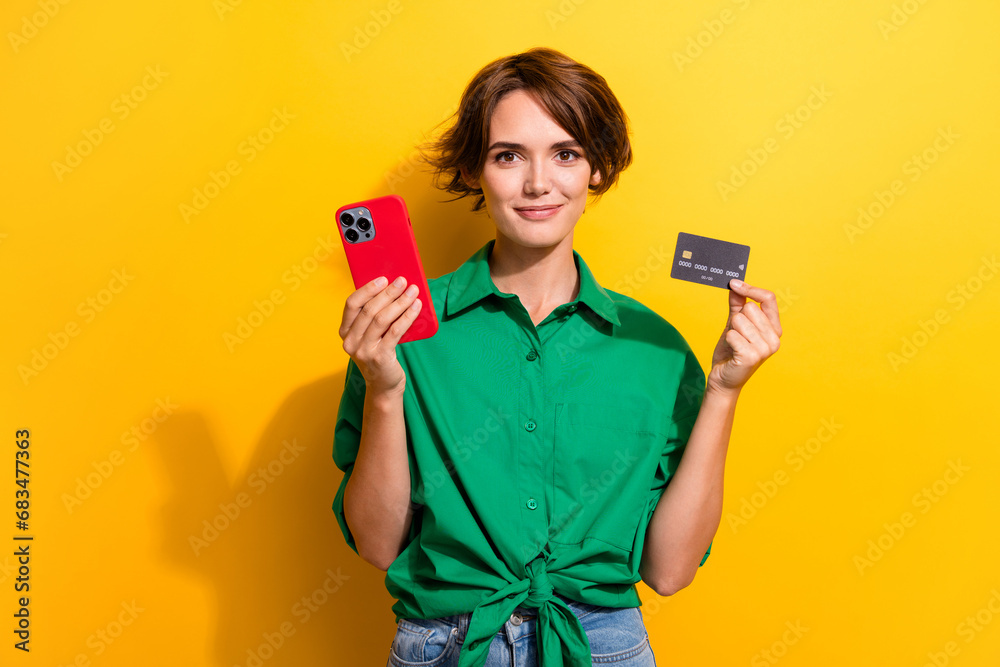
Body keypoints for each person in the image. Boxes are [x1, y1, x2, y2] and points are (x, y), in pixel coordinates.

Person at [333, 47, 782, 667]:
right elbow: (378, 545)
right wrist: (384, 392)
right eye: (508, 155)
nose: (538, 183)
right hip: (447, 645)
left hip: (603, 647)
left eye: (565, 153)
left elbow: (671, 570)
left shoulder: (654, 348)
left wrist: (724, 390)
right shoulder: (400, 329)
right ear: (474, 169)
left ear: (596, 168)